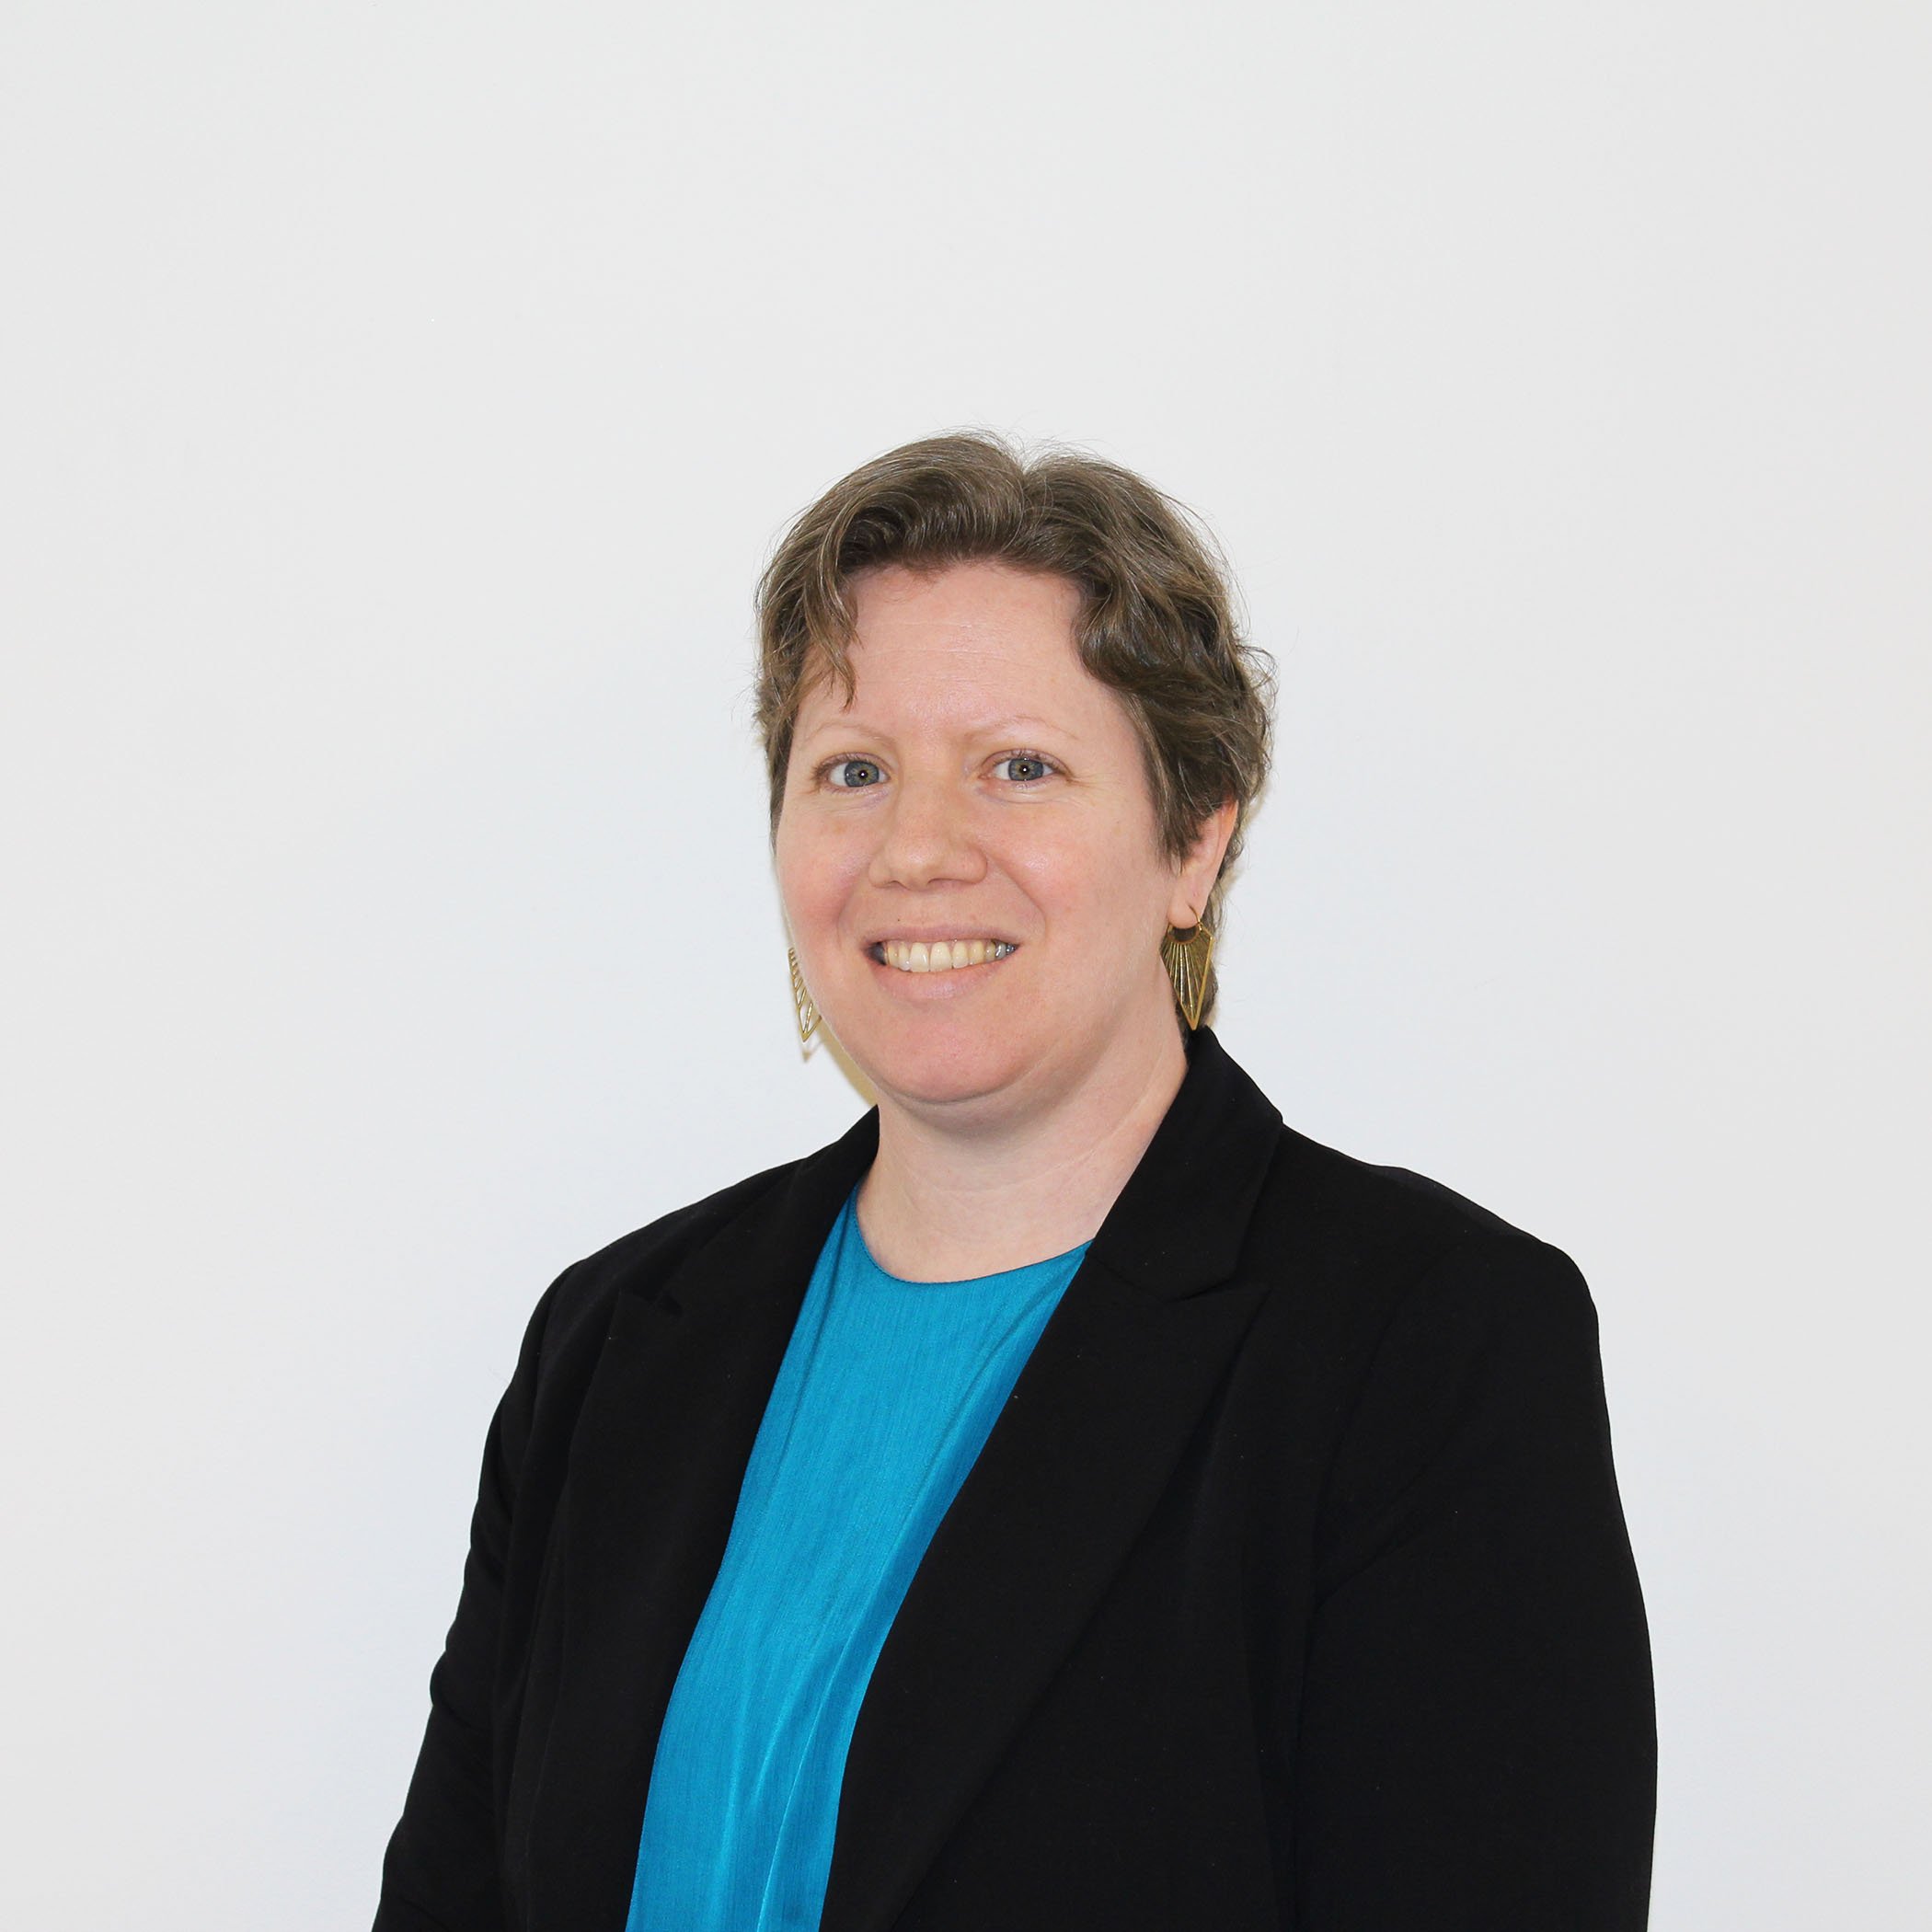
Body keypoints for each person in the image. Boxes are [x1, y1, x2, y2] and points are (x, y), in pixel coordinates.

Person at [374, 434, 1656, 1931]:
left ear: (1194, 844)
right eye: (854, 770)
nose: (919, 847)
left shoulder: (1424, 1346)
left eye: (1020, 767)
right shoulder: (612, 1341)